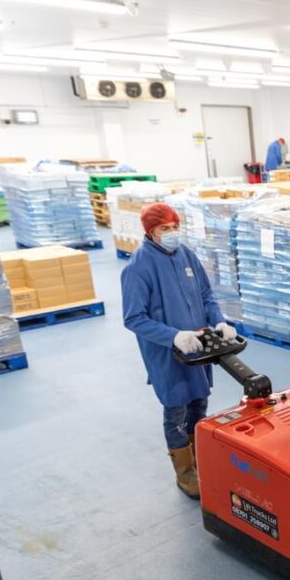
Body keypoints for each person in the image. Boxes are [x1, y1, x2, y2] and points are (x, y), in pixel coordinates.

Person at [121, 203, 237, 499]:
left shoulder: (187, 255)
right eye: (165, 229)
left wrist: (219, 322)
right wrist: (173, 336)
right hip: (168, 353)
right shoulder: (138, 266)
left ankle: (200, 460)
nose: (173, 234)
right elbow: (134, 318)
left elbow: (205, 295)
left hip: (198, 348)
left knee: (199, 402)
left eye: (175, 227)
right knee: (176, 409)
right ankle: (185, 473)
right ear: (150, 232)